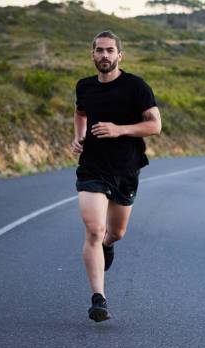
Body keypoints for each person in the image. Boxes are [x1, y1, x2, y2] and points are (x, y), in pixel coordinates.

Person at [70, 31, 161, 322]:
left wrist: (119, 129)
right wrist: (79, 137)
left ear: (120, 55)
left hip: (125, 167)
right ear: (92, 54)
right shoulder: (84, 86)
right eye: (99, 50)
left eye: (110, 50)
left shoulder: (136, 86)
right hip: (93, 166)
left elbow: (155, 125)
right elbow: (81, 113)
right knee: (94, 229)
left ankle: (108, 246)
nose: (104, 55)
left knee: (115, 233)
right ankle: (99, 299)